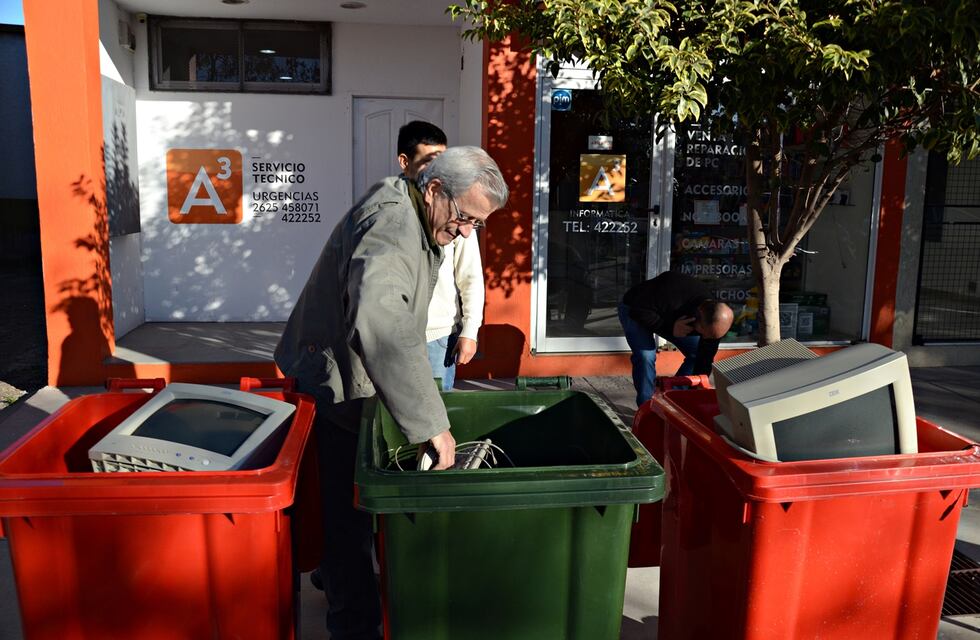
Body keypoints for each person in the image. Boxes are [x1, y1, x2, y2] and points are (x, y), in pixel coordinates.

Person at [274, 146, 508, 640]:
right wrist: (432, 424)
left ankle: (337, 580)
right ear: (435, 190)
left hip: (345, 375)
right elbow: (381, 319)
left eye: (477, 225)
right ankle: (353, 623)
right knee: (348, 517)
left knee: (349, 510)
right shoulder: (395, 227)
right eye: (466, 218)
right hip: (333, 386)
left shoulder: (415, 213)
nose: (468, 232)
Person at [397, 121, 484, 391]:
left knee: (436, 420)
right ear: (404, 161)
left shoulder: (456, 207)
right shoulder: (386, 209)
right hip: (393, 338)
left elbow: (470, 275)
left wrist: (470, 330)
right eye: (430, 161)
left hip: (438, 338)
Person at [618, 270, 734, 407]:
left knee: (697, 354)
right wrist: (669, 327)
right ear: (696, 317)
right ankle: (646, 407)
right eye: (703, 333)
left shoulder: (713, 321)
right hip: (635, 309)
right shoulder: (673, 291)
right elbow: (637, 310)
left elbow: (704, 360)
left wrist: (694, 392)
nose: (705, 338)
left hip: (669, 319)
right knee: (645, 356)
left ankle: (671, 398)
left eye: (711, 337)